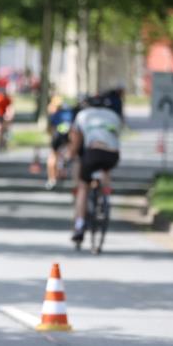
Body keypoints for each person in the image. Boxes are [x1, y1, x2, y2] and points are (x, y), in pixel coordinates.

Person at [64, 96, 121, 244]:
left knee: (83, 186)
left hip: (93, 152)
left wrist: (68, 156)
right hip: (113, 153)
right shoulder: (114, 115)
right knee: (106, 169)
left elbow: (75, 143)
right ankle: (106, 197)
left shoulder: (83, 115)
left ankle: (80, 225)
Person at [45, 95, 76, 190]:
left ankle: (52, 179)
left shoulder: (54, 113)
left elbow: (50, 128)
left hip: (58, 135)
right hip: (69, 135)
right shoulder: (70, 112)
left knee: (53, 156)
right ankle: (73, 180)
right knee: (72, 156)